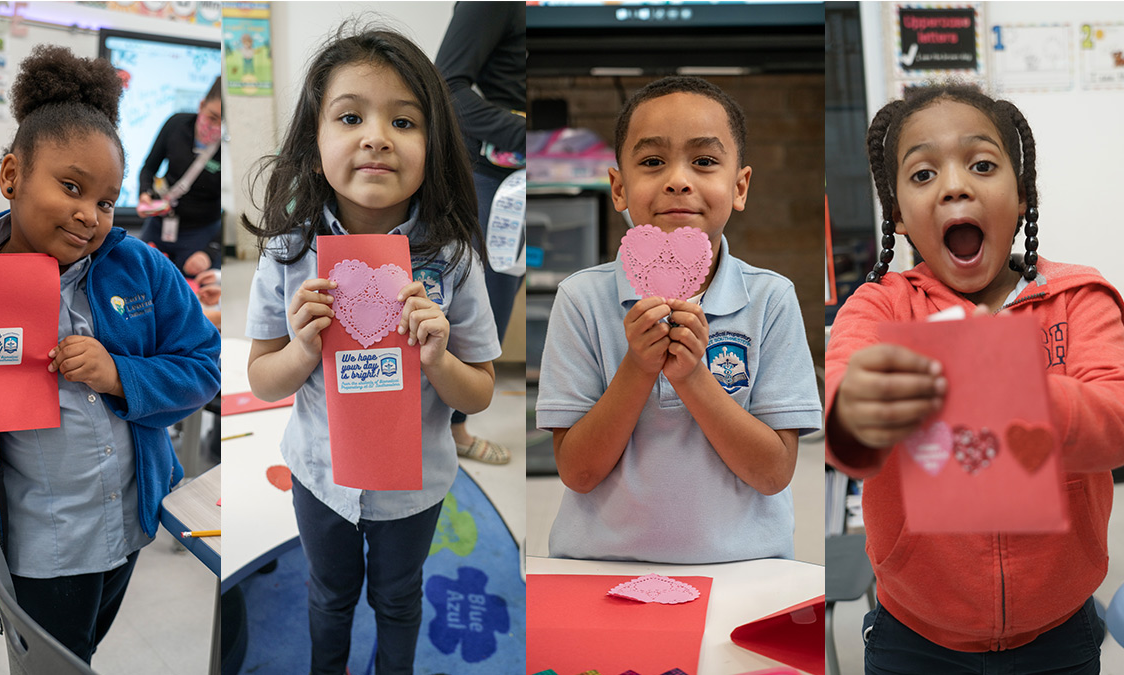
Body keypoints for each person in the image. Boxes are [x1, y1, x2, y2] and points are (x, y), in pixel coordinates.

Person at [0, 45, 220, 663]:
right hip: (40, 547)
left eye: (107, 201)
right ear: (11, 177)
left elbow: (204, 367)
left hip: (131, 527)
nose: (90, 215)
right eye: (70, 187)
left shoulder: (140, 268)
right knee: (53, 663)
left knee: (86, 649)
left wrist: (122, 374)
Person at [826, 84, 1124, 672]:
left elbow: (1116, 423)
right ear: (901, 218)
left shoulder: (1080, 299)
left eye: (982, 165)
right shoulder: (878, 311)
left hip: (1059, 633)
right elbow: (847, 440)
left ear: (1022, 196)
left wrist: (1014, 384)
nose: (955, 185)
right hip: (913, 635)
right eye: (922, 175)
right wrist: (858, 413)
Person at [241, 27, 499, 674]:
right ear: (314, 140)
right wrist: (302, 348)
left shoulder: (453, 259)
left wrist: (440, 358)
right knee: (328, 595)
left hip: (412, 486)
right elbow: (263, 379)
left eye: (404, 120)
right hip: (320, 474)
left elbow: (483, 388)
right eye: (351, 116)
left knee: (398, 596)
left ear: (432, 145)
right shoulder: (288, 253)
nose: (377, 136)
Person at [536, 76, 820, 564]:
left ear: (740, 186)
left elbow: (774, 473)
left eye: (704, 161)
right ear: (619, 188)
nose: (678, 180)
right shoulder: (580, 298)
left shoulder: (771, 298)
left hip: (745, 565)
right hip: (601, 566)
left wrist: (692, 377)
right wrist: (638, 368)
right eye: (652, 162)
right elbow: (577, 473)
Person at [435, 1, 525, 464]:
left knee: (499, 300)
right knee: (480, 303)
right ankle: (450, 432)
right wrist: (525, 134)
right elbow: (446, 86)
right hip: (495, 176)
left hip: (524, 173)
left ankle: (451, 429)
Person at [138, 76, 222, 274]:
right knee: (140, 270)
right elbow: (149, 168)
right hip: (160, 222)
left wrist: (209, 252)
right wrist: (144, 194)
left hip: (200, 233)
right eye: (212, 117)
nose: (215, 127)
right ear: (201, 105)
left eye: (223, 122)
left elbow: (227, 210)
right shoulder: (176, 124)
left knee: (196, 290)